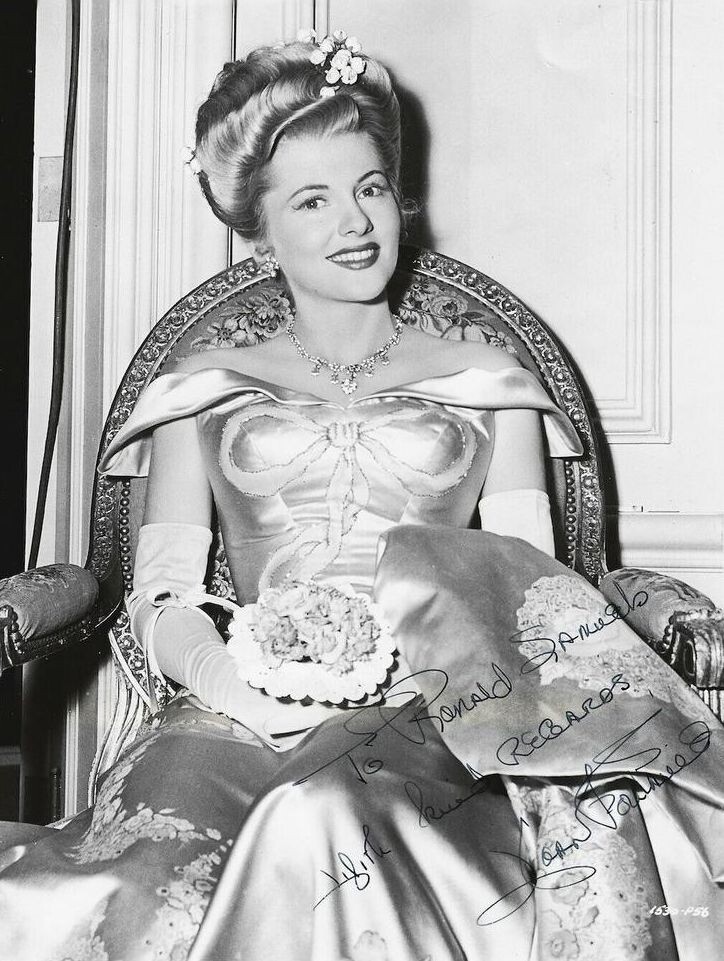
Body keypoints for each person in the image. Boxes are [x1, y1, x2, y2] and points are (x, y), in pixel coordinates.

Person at [0, 32, 721, 961]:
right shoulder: (202, 385)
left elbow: (530, 599)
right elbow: (162, 593)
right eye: (313, 200)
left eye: (371, 187)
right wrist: (233, 687)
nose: (355, 223)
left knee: (320, 817)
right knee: (142, 877)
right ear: (258, 229)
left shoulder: (490, 380)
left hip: (430, 714)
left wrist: (427, 682)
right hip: (231, 709)